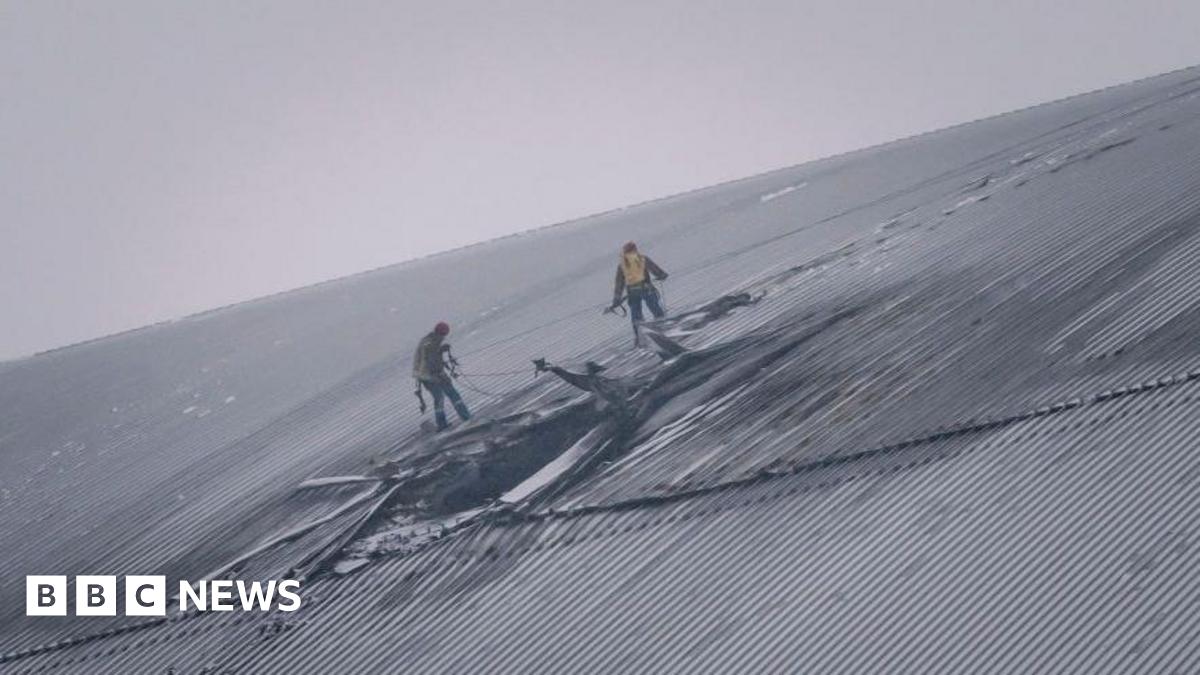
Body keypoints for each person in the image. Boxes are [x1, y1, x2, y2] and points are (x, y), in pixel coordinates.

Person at [412, 321, 470, 431]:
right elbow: (430, 361)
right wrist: (439, 374)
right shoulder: (432, 343)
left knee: (440, 397)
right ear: (442, 333)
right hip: (430, 376)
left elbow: (429, 358)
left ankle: (443, 423)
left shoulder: (428, 341)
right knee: (450, 395)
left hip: (426, 376)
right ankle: (465, 417)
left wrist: (441, 352)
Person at [611, 241, 668, 331]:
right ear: (635, 249)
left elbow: (619, 283)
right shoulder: (642, 259)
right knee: (655, 309)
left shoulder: (622, 265)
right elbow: (654, 269)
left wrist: (616, 299)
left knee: (636, 314)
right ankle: (663, 326)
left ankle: (639, 335)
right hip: (646, 288)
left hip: (632, 292)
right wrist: (662, 275)